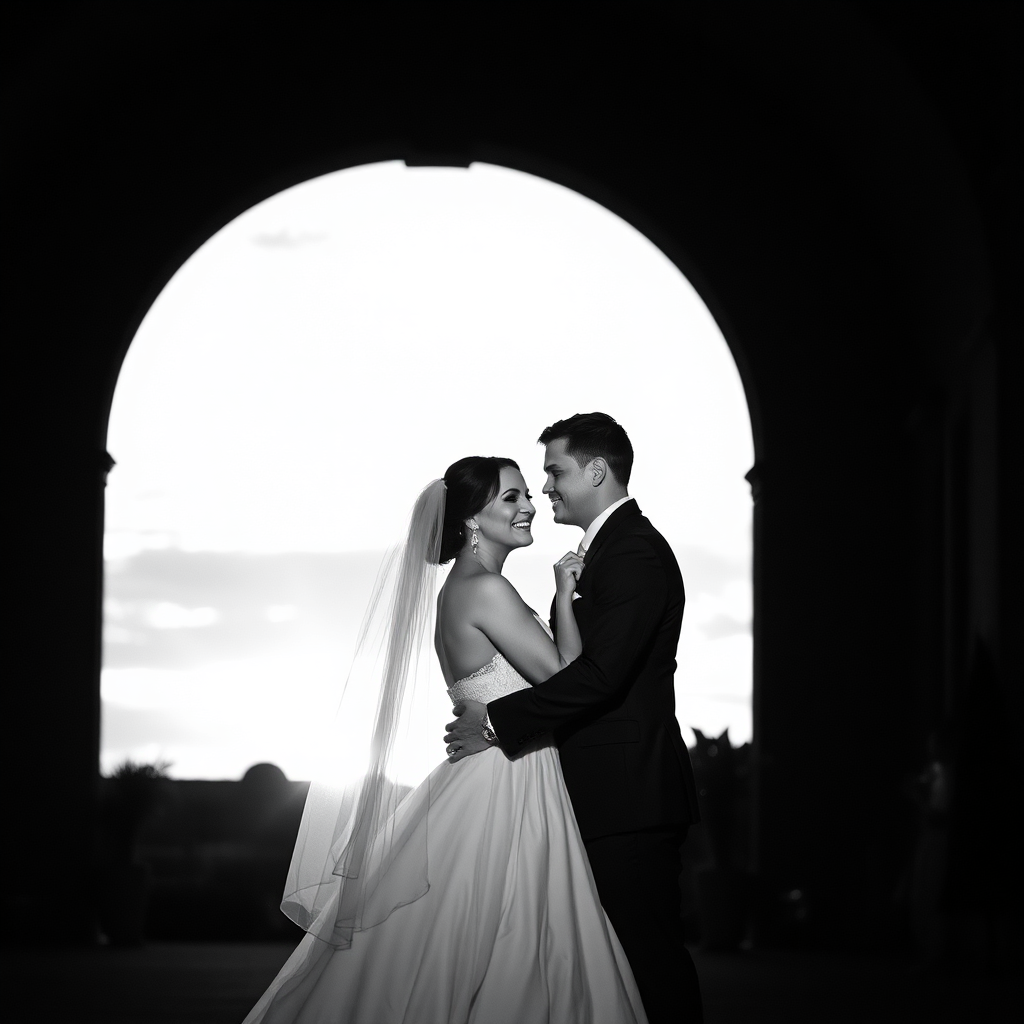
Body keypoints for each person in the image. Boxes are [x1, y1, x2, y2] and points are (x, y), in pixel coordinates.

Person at [242, 456, 649, 1024]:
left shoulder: (459, 589)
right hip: (510, 777)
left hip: (492, 768)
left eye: (527, 493)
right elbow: (567, 680)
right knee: (514, 933)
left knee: (465, 939)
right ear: (473, 520)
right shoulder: (485, 589)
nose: (528, 506)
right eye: (510, 498)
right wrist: (563, 595)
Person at [445, 413, 704, 1024]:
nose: (545, 491)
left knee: (647, 964)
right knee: (594, 968)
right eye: (526, 487)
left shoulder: (635, 551)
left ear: (596, 470)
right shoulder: (606, 553)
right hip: (586, 794)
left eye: (554, 473)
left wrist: (495, 724)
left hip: (628, 795)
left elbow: (597, 677)